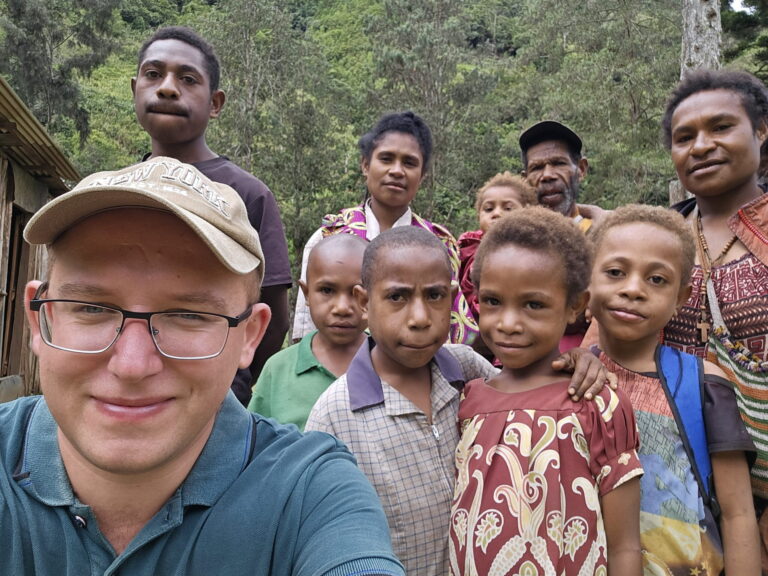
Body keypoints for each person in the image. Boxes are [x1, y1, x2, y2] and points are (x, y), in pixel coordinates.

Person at [0, 157, 404, 575]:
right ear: (40, 319)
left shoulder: (310, 494)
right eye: (90, 308)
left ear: (249, 336)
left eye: (188, 315)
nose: (132, 365)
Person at [306, 226, 617, 576]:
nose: (420, 318)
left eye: (435, 296)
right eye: (397, 297)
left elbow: (528, 383)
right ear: (365, 302)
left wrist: (578, 360)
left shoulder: (467, 371)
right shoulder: (335, 413)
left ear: (454, 298)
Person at [449, 207, 643, 575]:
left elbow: (625, 545)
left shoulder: (594, 404)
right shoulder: (468, 399)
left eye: (533, 304)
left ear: (575, 307)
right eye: (492, 301)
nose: (507, 323)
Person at [589, 204, 759, 575]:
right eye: (616, 272)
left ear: (680, 300)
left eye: (657, 280)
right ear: (587, 280)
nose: (633, 289)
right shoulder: (569, 381)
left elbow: (738, 512)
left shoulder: (703, 383)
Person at [132, 26, 291, 405]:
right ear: (134, 88)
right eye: (153, 74)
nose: (168, 87)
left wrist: (234, 376)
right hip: (130, 376)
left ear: (215, 103)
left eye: (188, 79)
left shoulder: (248, 195)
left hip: (212, 395)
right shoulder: (118, 189)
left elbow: (275, 316)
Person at [659, 68, 768, 563]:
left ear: (760, 131)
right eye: (685, 137)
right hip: (677, 500)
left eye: (721, 127)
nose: (701, 146)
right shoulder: (660, 239)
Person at [292, 111, 479, 346]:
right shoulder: (330, 236)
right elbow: (305, 329)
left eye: (409, 163)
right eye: (386, 159)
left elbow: (453, 328)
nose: (397, 171)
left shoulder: (439, 243)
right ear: (365, 165)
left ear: (422, 176)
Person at [248, 234, 368, 430]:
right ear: (307, 294)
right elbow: (257, 442)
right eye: (327, 290)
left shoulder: (390, 363)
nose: (342, 308)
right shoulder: (278, 369)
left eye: (357, 292)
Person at [457, 171, 536, 323]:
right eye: (488, 209)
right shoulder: (465, 248)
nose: (497, 213)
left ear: (527, 213)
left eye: (508, 208)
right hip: (468, 330)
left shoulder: (534, 252)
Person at [519, 120, 593, 232]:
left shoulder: (607, 238)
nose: (547, 175)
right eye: (537, 168)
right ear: (525, 180)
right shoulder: (512, 240)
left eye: (559, 163)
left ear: (581, 169)